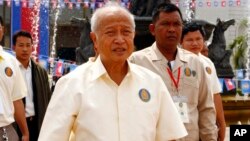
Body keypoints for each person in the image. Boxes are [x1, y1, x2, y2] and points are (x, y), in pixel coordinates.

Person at [38, 2, 187, 141]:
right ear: (94, 39)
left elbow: (169, 136)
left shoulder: (153, 83)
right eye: (110, 33)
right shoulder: (71, 84)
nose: (120, 40)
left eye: (126, 32)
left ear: (133, 36)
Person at [130, 2, 217, 140]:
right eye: (165, 24)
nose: (172, 29)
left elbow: (206, 108)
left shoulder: (195, 63)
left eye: (177, 24)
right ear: (152, 29)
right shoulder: (137, 62)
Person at [180, 22, 226, 141]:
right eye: (189, 40)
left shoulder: (208, 63)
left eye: (198, 39)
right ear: (181, 42)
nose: (195, 43)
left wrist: (221, 124)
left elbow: (215, 95)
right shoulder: (176, 63)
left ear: (204, 40)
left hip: (208, 124)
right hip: (186, 125)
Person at [12, 30, 51, 141]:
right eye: (21, 45)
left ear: (32, 47)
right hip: (16, 123)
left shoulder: (40, 71)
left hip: (37, 122)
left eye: (28, 45)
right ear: (14, 47)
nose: (25, 49)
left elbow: (47, 99)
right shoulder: (9, 71)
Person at [0, 16, 29, 141]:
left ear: (2, 30)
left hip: (5, 130)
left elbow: (17, 100)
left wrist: (25, 133)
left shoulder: (10, 61)